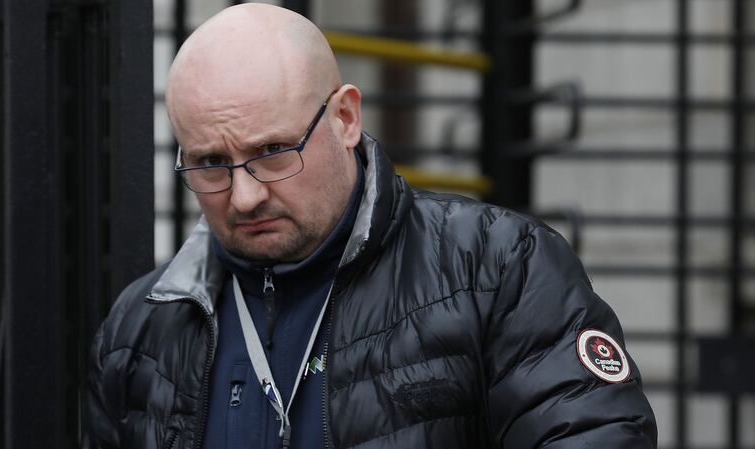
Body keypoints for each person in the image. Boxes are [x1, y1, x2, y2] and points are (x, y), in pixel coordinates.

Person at [82, 3, 657, 449]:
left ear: (345, 118)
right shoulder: (138, 330)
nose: (246, 194)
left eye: (275, 150)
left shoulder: (499, 269)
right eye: (210, 163)